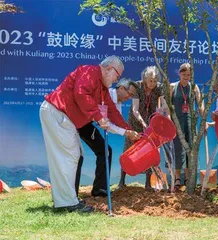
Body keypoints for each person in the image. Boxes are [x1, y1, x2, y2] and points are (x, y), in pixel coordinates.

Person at [39, 56, 137, 212]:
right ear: (109, 69)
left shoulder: (102, 87)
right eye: (117, 76)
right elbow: (81, 94)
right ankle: (67, 203)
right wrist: (98, 117)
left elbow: (111, 111)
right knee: (69, 157)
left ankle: (68, 199)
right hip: (57, 113)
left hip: (64, 118)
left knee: (75, 156)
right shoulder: (89, 72)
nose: (116, 80)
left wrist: (128, 130)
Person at [75, 78, 140, 198]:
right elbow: (105, 124)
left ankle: (100, 191)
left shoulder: (118, 104)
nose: (129, 98)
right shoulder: (106, 95)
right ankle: (70, 195)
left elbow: (115, 123)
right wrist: (126, 133)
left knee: (105, 151)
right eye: (129, 94)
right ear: (120, 88)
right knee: (75, 156)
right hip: (77, 120)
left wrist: (128, 131)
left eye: (132, 96)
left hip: (87, 124)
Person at [118, 66, 171, 189]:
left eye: (154, 80)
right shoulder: (138, 86)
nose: (152, 83)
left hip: (150, 123)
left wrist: (167, 118)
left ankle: (147, 183)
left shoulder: (159, 87)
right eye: (150, 80)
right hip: (135, 122)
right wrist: (142, 123)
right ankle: (122, 181)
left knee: (149, 150)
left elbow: (165, 105)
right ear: (145, 79)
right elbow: (135, 110)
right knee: (129, 148)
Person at [170, 63, 204, 187]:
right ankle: (178, 178)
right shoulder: (172, 87)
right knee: (177, 148)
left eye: (188, 75)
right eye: (184, 74)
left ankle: (188, 177)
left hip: (190, 122)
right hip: (176, 123)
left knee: (190, 148)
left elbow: (200, 105)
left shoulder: (194, 87)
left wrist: (203, 121)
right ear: (179, 73)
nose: (186, 77)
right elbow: (167, 105)